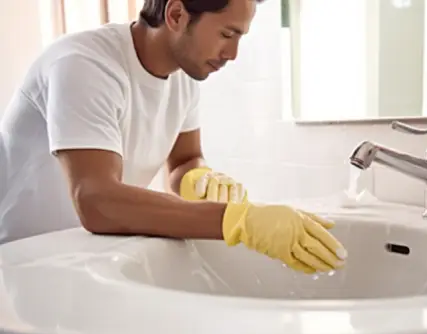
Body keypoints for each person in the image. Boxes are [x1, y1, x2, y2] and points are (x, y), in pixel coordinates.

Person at [0, 0, 347, 274]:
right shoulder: (85, 64)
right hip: (21, 266)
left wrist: (198, 177)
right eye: (227, 35)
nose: (233, 54)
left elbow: (183, 161)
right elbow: (95, 199)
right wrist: (238, 220)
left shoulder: (182, 76)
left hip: (85, 257)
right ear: (177, 14)